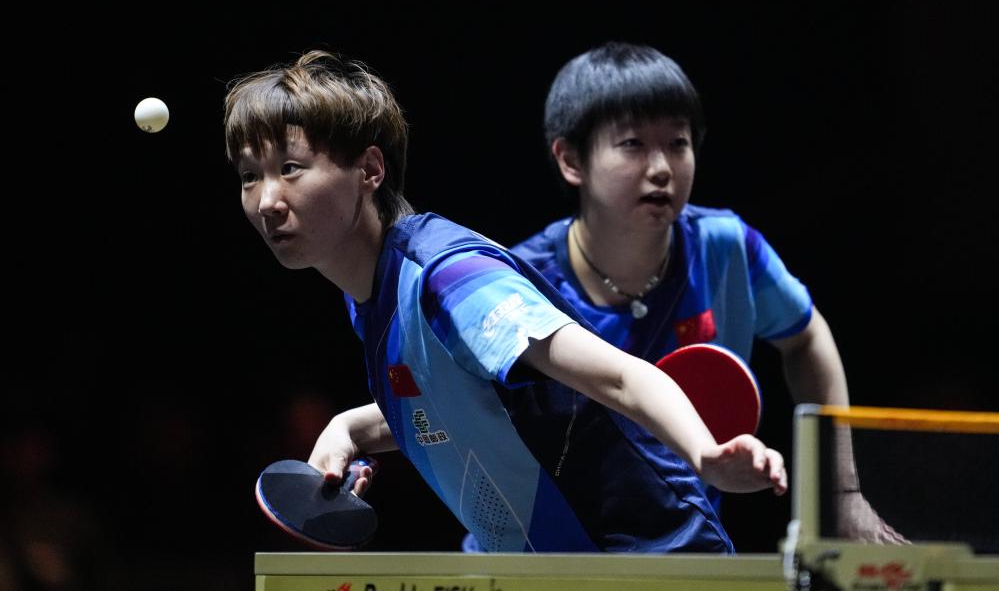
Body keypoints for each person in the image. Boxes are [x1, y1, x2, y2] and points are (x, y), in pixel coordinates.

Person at [225, 50, 786, 554]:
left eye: (290, 168)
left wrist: (704, 455)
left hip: (644, 555)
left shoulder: (450, 278)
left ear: (370, 170)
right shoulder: (373, 293)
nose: (267, 200)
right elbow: (458, 399)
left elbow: (620, 376)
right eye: (250, 176)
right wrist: (348, 430)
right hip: (550, 564)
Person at [499, 41, 903, 544]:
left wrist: (841, 492)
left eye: (678, 143)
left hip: (683, 551)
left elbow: (806, 337)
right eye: (632, 144)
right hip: (542, 555)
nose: (662, 167)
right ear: (571, 160)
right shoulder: (519, 282)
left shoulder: (725, 249)